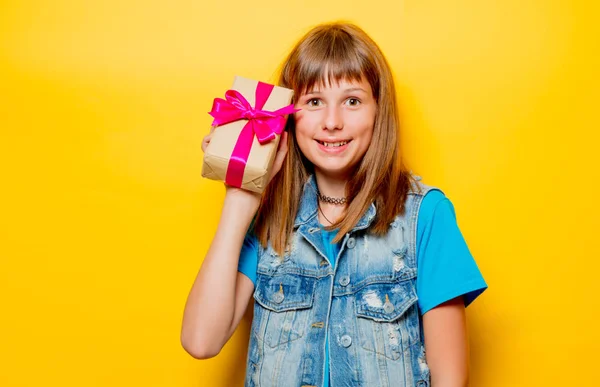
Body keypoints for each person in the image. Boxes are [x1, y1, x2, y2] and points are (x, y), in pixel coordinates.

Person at [181, 21, 488, 387]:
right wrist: (242, 196)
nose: (332, 122)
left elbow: (450, 380)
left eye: (352, 101)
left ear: (378, 110)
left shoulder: (426, 216)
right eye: (313, 102)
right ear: (288, 117)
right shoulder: (270, 219)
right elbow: (201, 341)